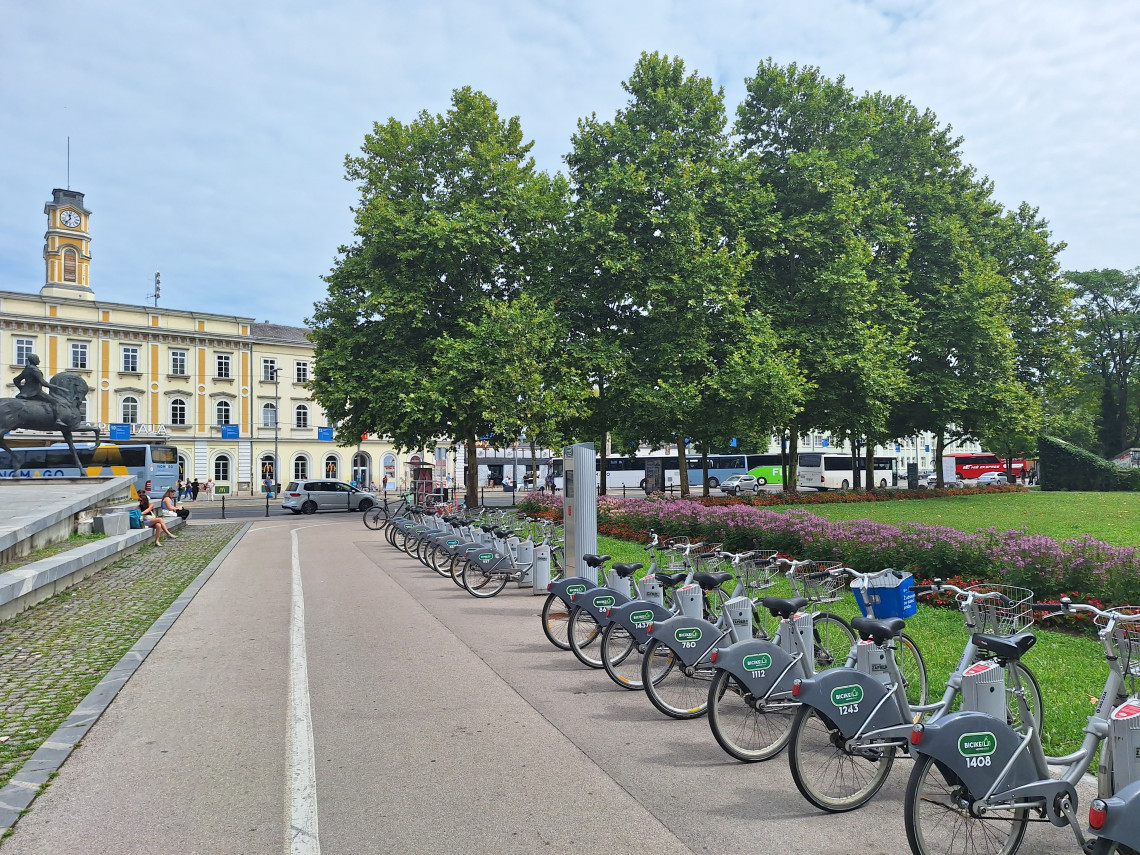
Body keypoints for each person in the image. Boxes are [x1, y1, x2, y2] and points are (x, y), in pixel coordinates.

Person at [13, 354, 68, 427]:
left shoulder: (27, 369)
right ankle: (58, 419)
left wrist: (22, 389)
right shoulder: (35, 370)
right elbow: (43, 383)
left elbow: (16, 380)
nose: (39, 360)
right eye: (37, 359)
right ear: (34, 360)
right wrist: (56, 387)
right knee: (55, 402)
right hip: (35, 393)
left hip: (25, 393)